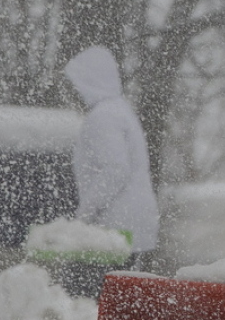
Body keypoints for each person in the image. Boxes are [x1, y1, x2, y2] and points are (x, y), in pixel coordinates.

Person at [63, 46, 159, 271]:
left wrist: (83, 217)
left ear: (88, 82)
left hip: (114, 227)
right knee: (122, 296)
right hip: (132, 224)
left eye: (74, 84)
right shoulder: (120, 110)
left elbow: (115, 170)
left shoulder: (102, 117)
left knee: (87, 296)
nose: (73, 92)